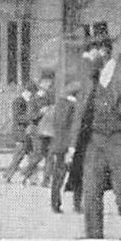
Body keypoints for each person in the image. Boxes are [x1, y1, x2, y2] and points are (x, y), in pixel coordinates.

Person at [65, 30, 121, 239]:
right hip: (94, 144)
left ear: (104, 51)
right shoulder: (90, 78)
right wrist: (72, 146)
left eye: (90, 51)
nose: (86, 56)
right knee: (91, 197)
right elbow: (79, 113)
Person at [47, 80, 81, 213]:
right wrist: (72, 146)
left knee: (58, 175)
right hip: (70, 144)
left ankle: (55, 204)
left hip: (59, 144)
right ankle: (77, 205)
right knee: (77, 174)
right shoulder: (74, 106)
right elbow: (73, 127)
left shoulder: (60, 104)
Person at [2, 81, 39, 181]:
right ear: (27, 91)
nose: (33, 95)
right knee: (20, 154)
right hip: (20, 131)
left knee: (31, 155)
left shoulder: (30, 102)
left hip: (28, 132)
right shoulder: (19, 101)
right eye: (32, 93)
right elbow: (18, 117)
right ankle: (8, 174)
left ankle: (32, 177)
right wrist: (31, 118)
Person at [29, 73, 58, 185]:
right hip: (37, 130)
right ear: (40, 84)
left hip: (50, 130)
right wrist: (41, 112)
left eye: (49, 83)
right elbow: (31, 116)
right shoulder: (34, 99)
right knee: (39, 155)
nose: (48, 85)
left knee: (50, 155)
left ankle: (46, 179)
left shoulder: (51, 97)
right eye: (45, 83)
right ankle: (26, 172)